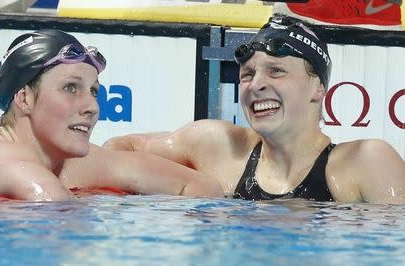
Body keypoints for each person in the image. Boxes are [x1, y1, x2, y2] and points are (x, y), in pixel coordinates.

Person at [104, 16, 405, 203]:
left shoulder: (365, 162)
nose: (255, 85)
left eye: (276, 71)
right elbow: (120, 149)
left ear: (318, 89)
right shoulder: (216, 146)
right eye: (247, 74)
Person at [0, 29, 223, 201]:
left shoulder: (75, 164)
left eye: (94, 91)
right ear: (24, 98)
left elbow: (202, 186)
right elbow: (56, 213)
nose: (92, 107)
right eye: (70, 88)